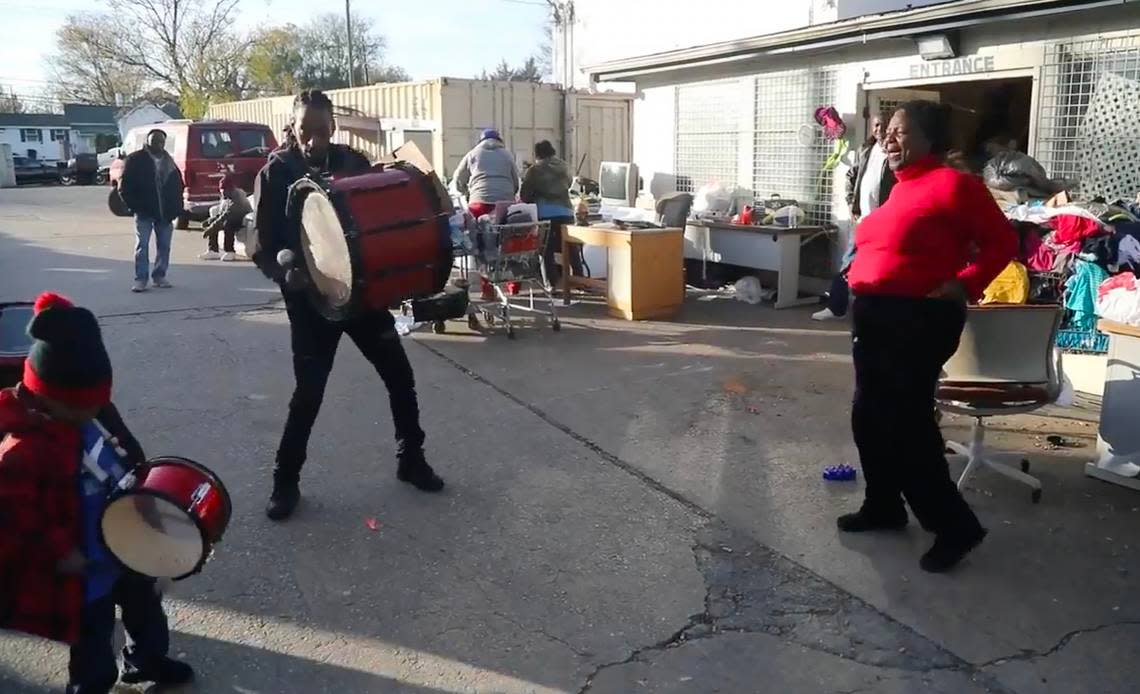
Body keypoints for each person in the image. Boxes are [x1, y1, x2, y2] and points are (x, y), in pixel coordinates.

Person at [839, 101, 1017, 573]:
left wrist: (965, 281)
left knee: (906, 426)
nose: (886, 139)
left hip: (916, 319)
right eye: (884, 131)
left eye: (898, 130)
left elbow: (1004, 241)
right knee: (868, 419)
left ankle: (954, 525)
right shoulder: (899, 190)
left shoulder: (955, 185)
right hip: (876, 318)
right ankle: (883, 506)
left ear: (929, 138)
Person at [253, 89, 444, 522]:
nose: (314, 140)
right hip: (311, 304)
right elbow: (263, 246)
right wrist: (288, 270)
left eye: (322, 131)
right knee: (309, 394)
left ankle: (411, 459)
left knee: (400, 376)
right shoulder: (278, 171)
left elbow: (384, 220)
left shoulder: (352, 164)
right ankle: (285, 482)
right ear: (293, 128)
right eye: (306, 131)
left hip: (361, 298)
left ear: (333, 127)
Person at [0, 292, 194, 693]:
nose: (99, 411)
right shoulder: (23, 450)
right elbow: (19, 517)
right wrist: (61, 552)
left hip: (124, 543)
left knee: (146, 611)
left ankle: (146, 660)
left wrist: (153, 516)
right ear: (50, 399)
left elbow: (129, 457)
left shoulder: (92, 412)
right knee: (93, 642)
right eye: (87, 407)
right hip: (84, 566)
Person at [814, 113, 895, 321]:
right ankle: (836, 307)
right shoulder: (866, 150)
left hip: (886, 221)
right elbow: (851, 176)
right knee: (848, 262)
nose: (880, 129)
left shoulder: (896, 153)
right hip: (863, 220)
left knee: (883, 265)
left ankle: (880, 311)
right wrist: (851, 203)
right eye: (877, 125)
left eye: (885, 126)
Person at [119, 129, 184, 293]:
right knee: (142, 246)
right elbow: (124, 187)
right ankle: (141, 279)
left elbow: (178, 186)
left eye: (161, 142)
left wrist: (177, 208)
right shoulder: (135, 160)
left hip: (165, 212)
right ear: (148, 141)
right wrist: (135, 206)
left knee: (164, 246)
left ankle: (159, 275)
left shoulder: (169, 161)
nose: (159, 145)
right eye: (155, 141)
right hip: (144, 212)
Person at [519, 140, 582, 287]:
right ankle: (580, 280)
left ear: (537, 154)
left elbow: (525, 196)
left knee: (546, 248)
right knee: (571, 247)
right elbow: (568, 184)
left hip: (545, 213)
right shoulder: (564, 166)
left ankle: (551, 283)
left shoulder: (534, 170)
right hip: (566, 211)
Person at [452, 129, 520, 219]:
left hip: (479, 202)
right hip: (504, 203)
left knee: (475, 229)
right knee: (504, 230)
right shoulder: (507, 155)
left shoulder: (472, 154)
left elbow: (458, 179)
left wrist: (466, 192)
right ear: (499, 141)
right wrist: (509, 193)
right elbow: (516, 181)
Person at [200, 175, 252, 261]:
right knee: (213, 221)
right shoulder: (226, 196)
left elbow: (226, 215)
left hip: (241, 219)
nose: (222, 192)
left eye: (224, 190)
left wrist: (210, 228)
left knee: (227, 224)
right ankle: (213, 250)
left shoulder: (238, 197)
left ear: (230, 189)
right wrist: (209, 221)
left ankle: (230, 251)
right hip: (229, 216)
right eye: (221, 190)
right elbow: (221, 212)